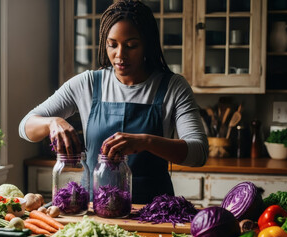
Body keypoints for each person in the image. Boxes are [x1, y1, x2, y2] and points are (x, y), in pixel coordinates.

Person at [19, 0, 208, 204]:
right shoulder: (87, 84)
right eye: (112, 45)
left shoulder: (173, 87)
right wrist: (52, 122)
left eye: (131, 45)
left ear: (147, 44)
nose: (120, 55)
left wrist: (145, 141)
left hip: (152, 211)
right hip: (92, 210)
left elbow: (198, 152)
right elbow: (25, 126)